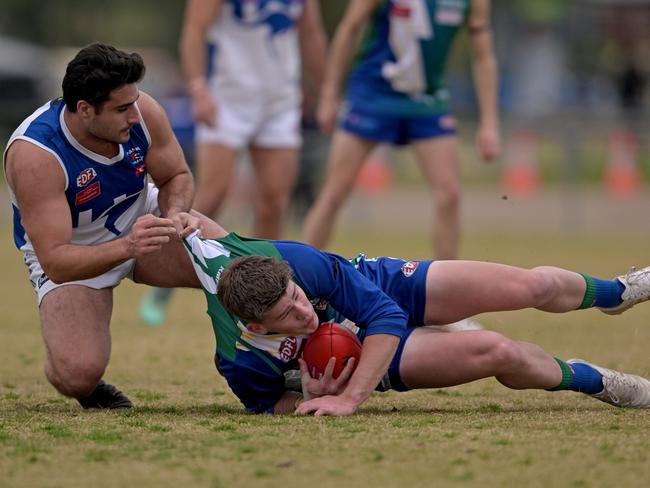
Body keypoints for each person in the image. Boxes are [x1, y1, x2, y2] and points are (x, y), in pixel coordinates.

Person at [180, 229, 650, 415]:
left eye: (298, 297)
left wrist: (350, 400)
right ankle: (596, 381)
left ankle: (616, 292)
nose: (303, 310)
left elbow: (385, 313)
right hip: (371, 357)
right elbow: (268, 405)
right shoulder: (239, 361)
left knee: (531, 288)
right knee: (499, 352)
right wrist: (311, 397)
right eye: (286, 315)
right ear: (258, 327)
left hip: (380, 288)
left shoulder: (298, 262)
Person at [2, 43, 224, 409]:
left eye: (134, 102)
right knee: (78, 373)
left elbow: (176, 175)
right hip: (72, 256)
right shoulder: (36, 155)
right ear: (85, 110)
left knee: (240, 268)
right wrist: (128, 247)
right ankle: (64, 363)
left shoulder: (143, 111)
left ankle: (281, 364)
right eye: (122, 109)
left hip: (145, 222)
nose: (135, 115)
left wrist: (174, 214)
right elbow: (56, 261)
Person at [139, 0, 328, 326]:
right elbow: (195, 30)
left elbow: (311, 34)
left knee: (273, 201)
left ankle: (268, 290)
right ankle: (167, 281)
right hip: (227, 97)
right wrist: (197, 89)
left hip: (280, 101)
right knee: (211, 196)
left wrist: (326, 91)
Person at [303, 0, 501, 259]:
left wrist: (489, 123)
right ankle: (300, 276)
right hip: (372, 96)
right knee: (334, 192)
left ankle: (448, 286)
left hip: (427, 100)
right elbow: (349, 28)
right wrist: (329, 94)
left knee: (449, 194)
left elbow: (483, 56)